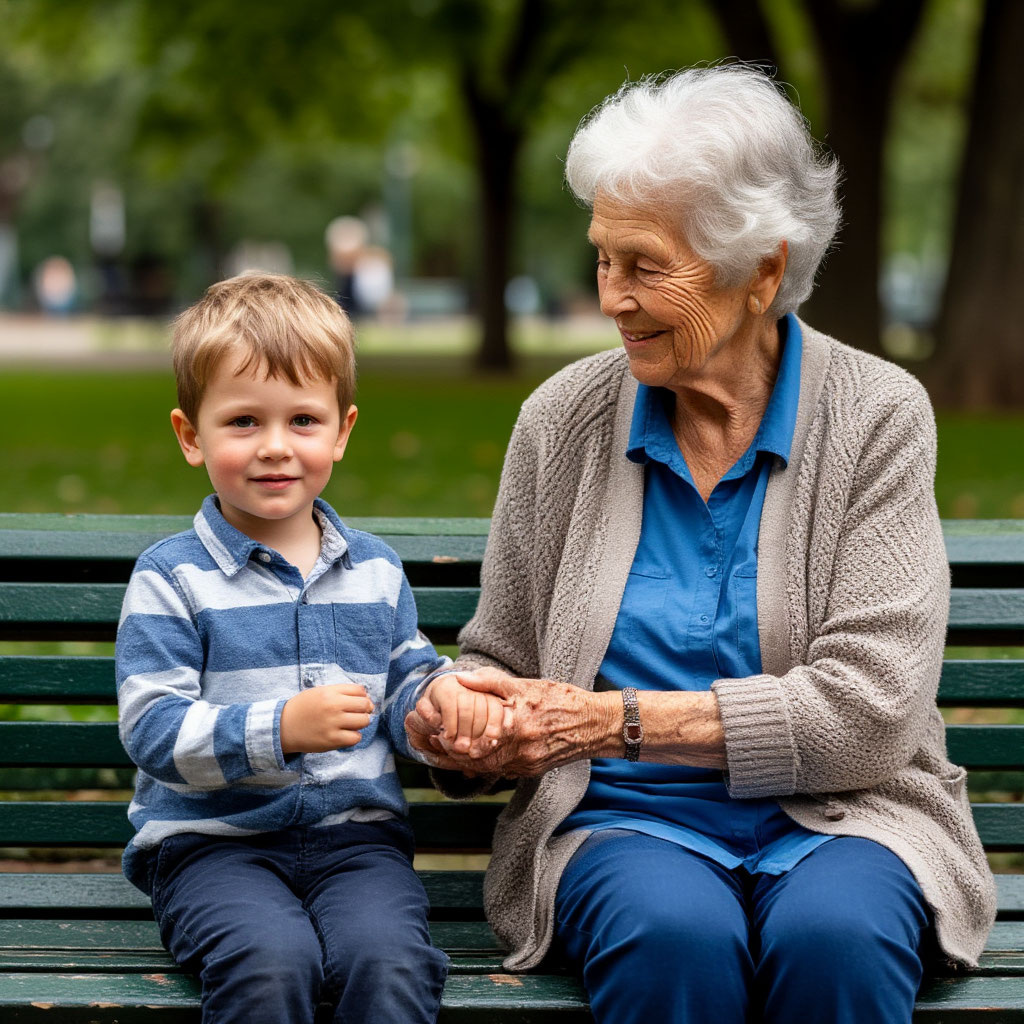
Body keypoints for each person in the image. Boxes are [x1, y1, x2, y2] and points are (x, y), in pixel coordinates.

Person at [405, 66, 996, 1024]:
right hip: (623, 820)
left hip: (850, 817)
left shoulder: (878, 415)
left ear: (763, 267)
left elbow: (871, 712)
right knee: (672, 934)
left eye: (645, 267)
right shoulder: (563, 419)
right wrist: (466, 723)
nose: (611, 298)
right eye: (602, 258)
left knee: (834, 938)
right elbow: (504, 656)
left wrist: (607, 721)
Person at [115, 272, 506, 1024]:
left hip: (357, 846)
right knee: (270, 962)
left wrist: (440, 705)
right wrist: (280, 729)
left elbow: (405, 683)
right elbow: (153, 729)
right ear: (190, 435)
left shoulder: (375, 570)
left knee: (388, 963)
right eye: (242, 422)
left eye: (302, 420)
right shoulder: (173, 579)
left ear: (342, 431)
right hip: (212, 848)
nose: (274, 448)